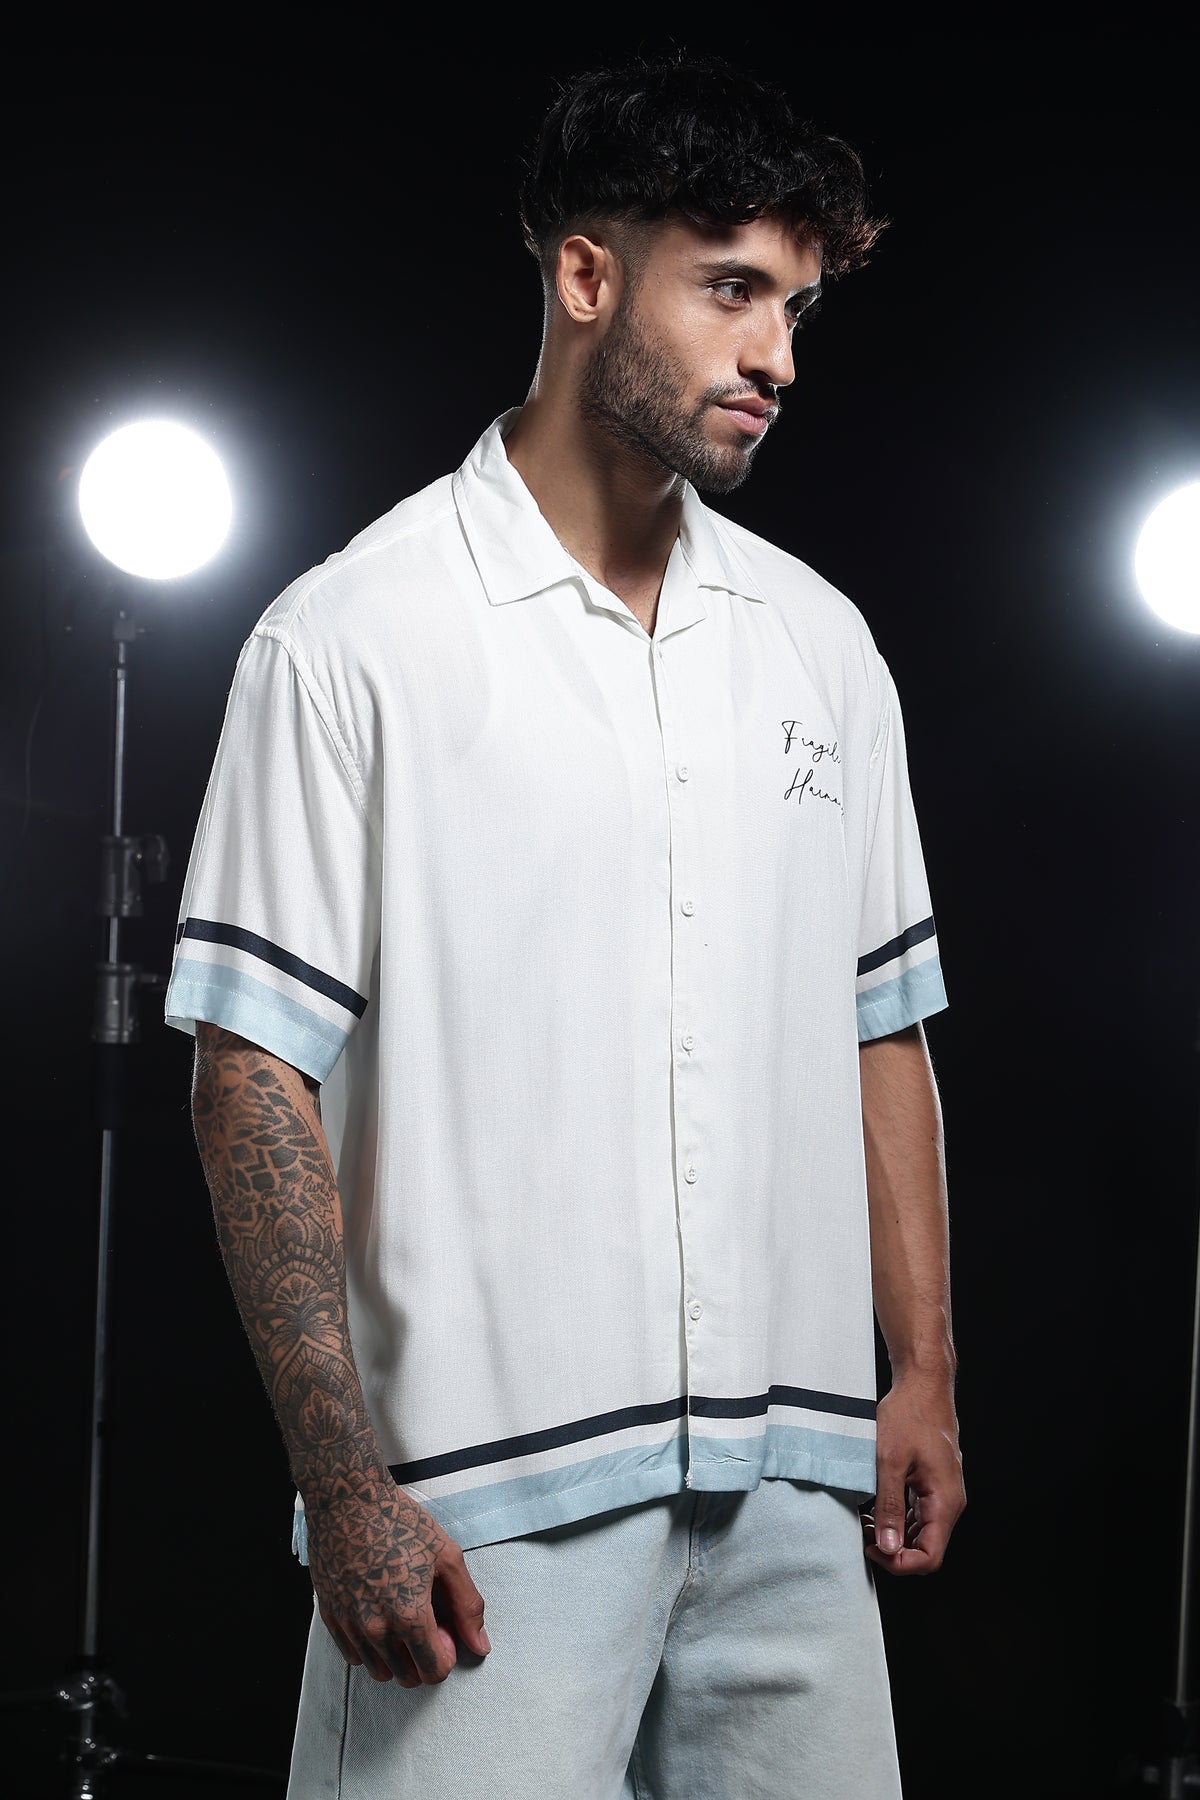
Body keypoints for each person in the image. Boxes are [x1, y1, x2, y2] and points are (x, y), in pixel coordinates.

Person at [168, 49, 965, 1800]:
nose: (777, 356)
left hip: (793, 1494)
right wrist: (343, 1486)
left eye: (796, 307)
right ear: (587, 277)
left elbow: (878, 1026)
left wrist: (923, 1374)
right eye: (732, 291)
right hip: (479, 1515)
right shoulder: (352, 637)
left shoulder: (823, 646)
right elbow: (247, 1077)